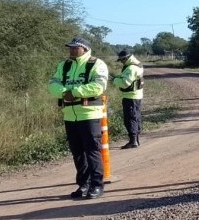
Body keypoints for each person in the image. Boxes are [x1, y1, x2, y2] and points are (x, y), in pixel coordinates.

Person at [48, 37, 109, 199]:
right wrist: (63, 93)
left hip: (89, 114)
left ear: (85, 49)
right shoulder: (64, 65)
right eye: (70, 48)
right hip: (69, 115)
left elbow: (98, 87)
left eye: (76, 48)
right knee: (78, 153)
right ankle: (83, 184)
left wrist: (73, 92)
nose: (72, 50)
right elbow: (52, 85)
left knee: (92, 151)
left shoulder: (97, 64)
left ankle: (97, 185)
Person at [111, 49, 144, 149]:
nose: (121, 62)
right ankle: (135, 140)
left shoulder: (131, 68)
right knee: (135, 117)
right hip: (135, 96)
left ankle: (133, 141)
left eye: (122, 60)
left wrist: (115, 80)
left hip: (131, 97)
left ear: (126, 58)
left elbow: (125, 83)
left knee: (130, 119)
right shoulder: (137, 65)